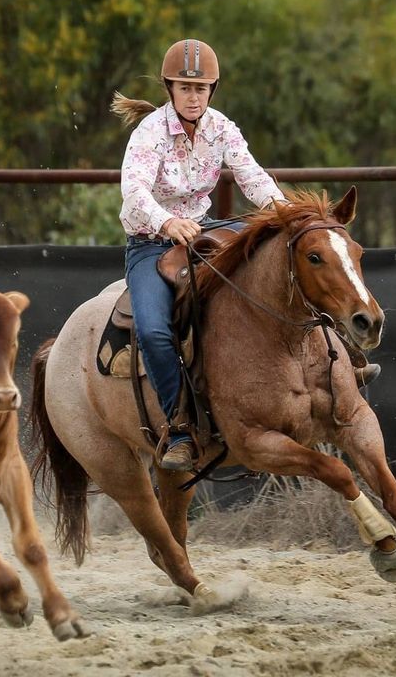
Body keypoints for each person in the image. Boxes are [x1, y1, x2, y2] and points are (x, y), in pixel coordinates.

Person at [111, 38, 287, 472]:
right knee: (153, 331)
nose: (194, 97)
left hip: (203, 231)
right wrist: (168, 223)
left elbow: (252, 176)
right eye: (185, 88)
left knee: (281, 256)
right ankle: (180, 427)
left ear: (213, 90)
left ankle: (330, 367)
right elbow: (133, 191)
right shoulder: (149, 132)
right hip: (152, 244)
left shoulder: (223, 128)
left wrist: (288, 213)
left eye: (202, 89)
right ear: (169, 89)